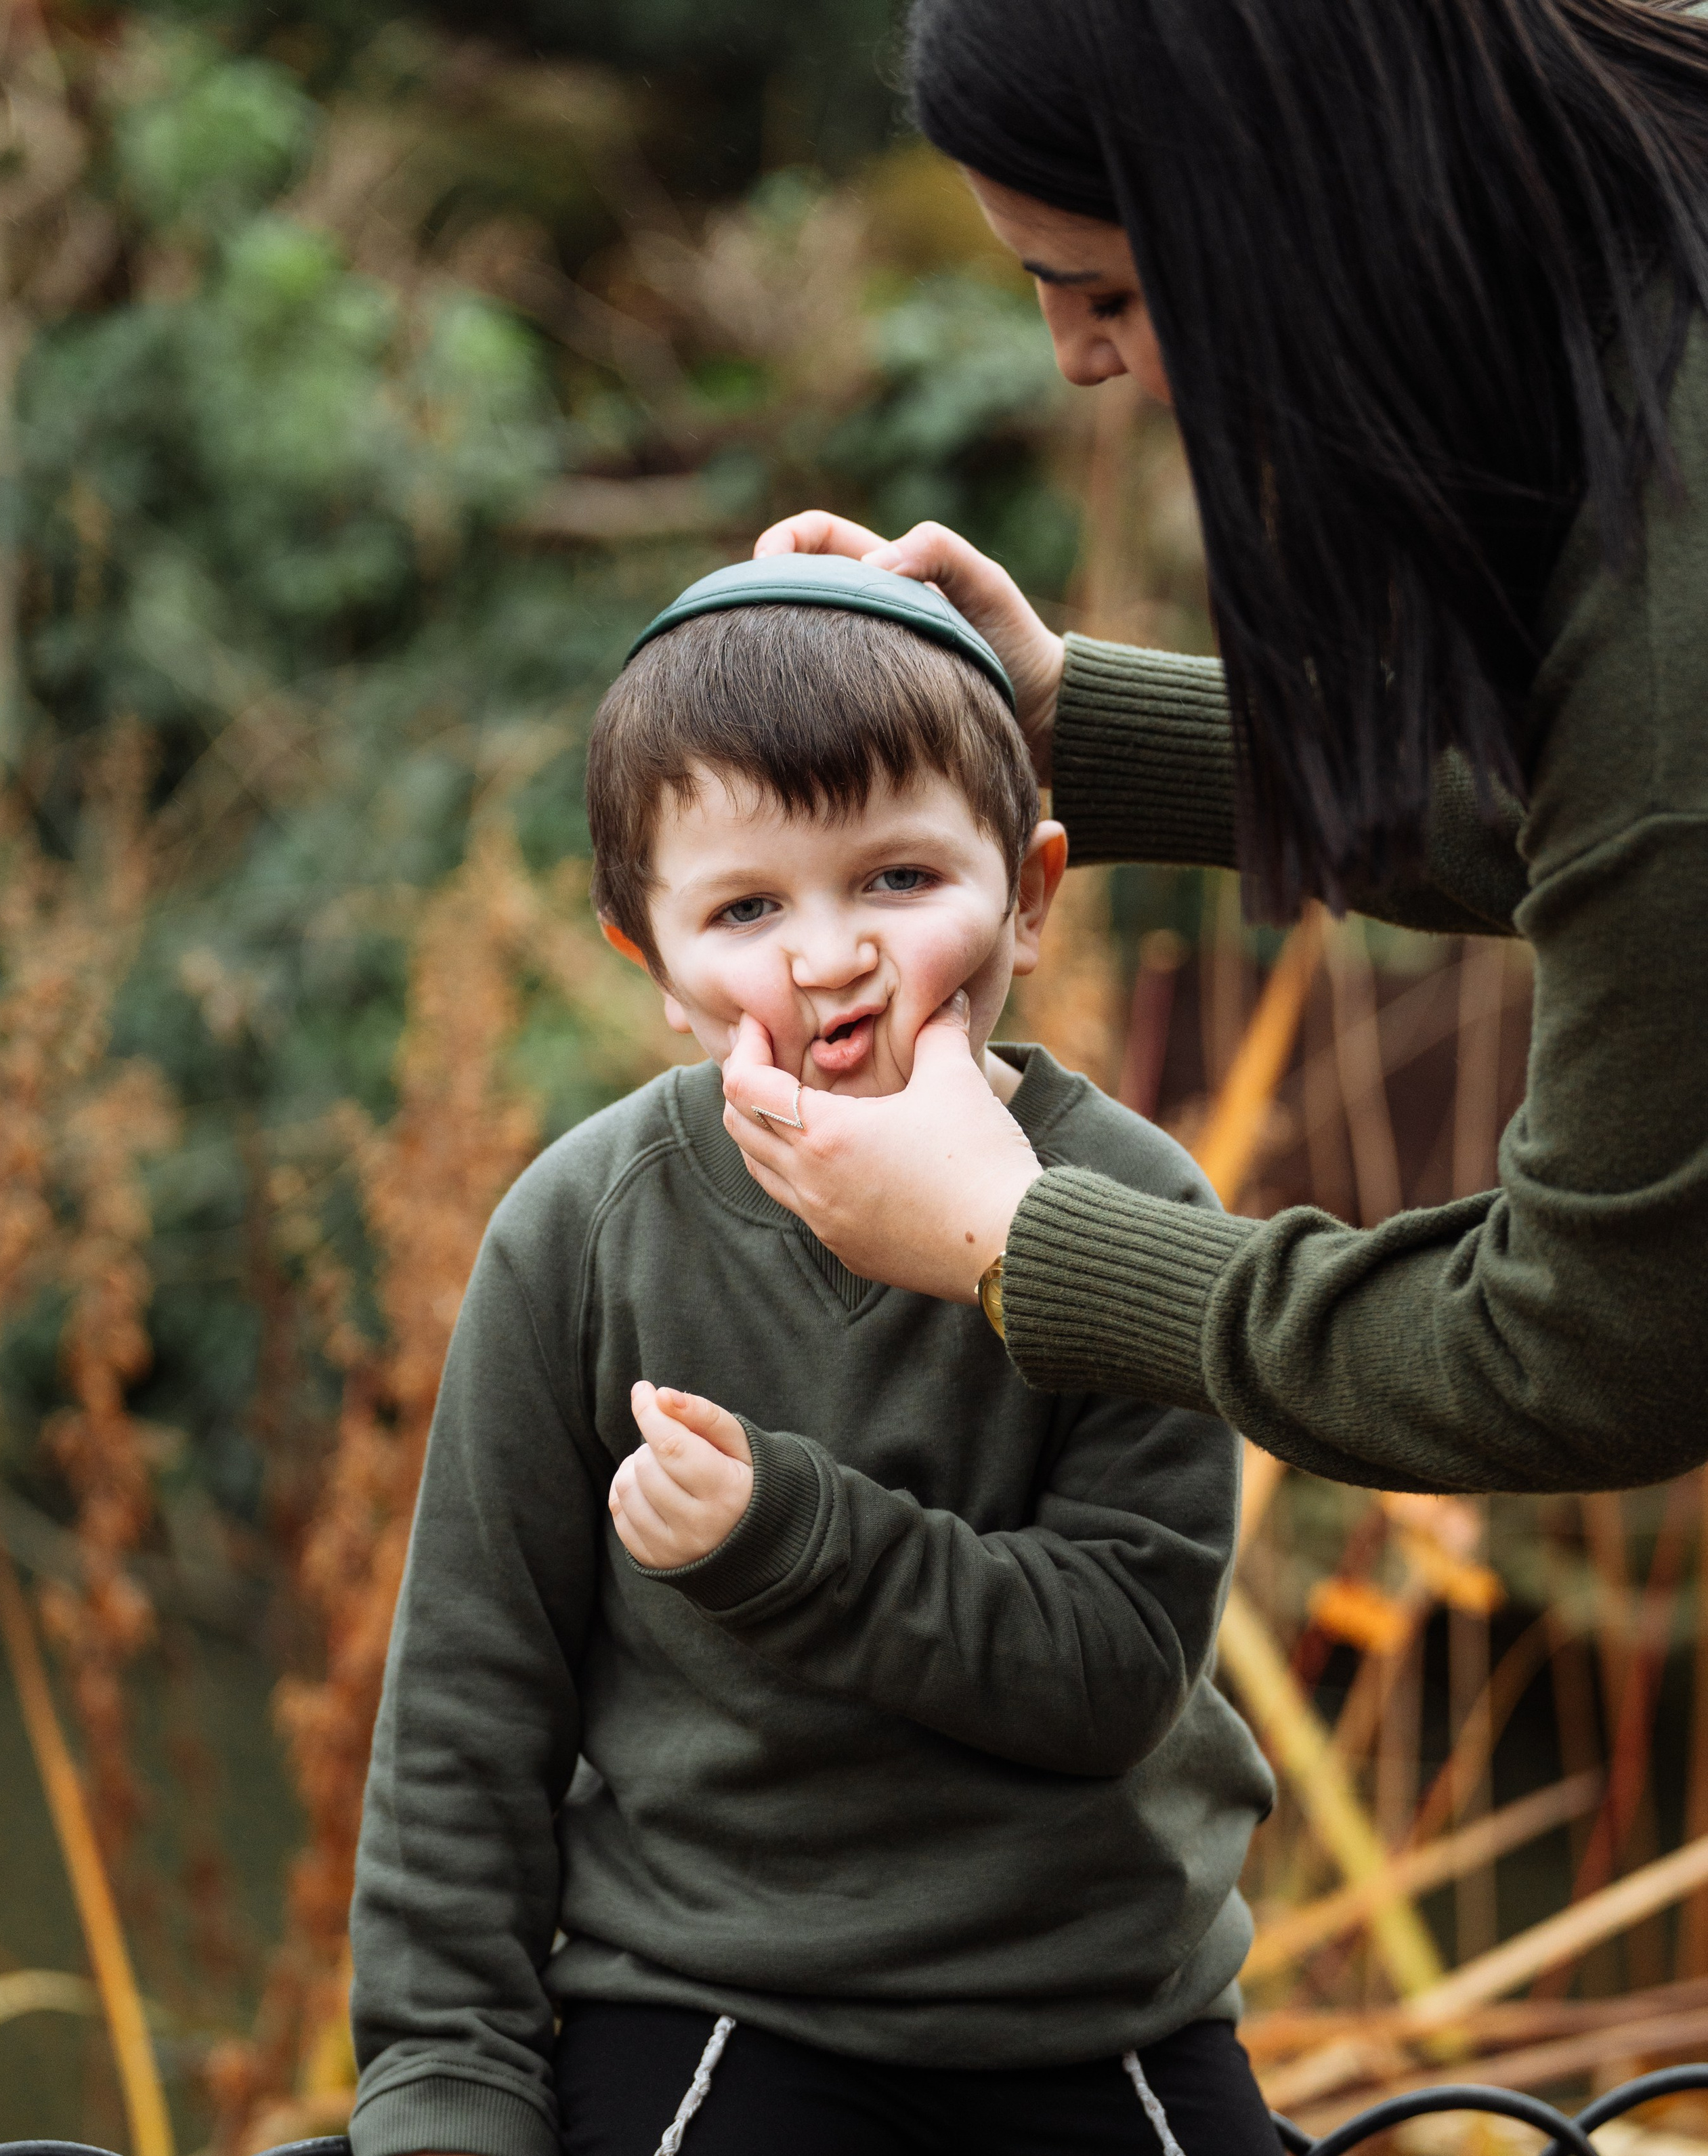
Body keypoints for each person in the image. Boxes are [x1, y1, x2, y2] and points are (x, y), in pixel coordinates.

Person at [347, 558, 1373, 2156]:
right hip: (717, 1969)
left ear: (1032, 889)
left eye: (898, 878)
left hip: (1087, 1974)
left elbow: (1110, 1665)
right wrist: (445, 2043)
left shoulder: (1129, 1216)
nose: (826, 956)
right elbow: (475, 1666)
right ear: (651, 954)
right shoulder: (584, 1229)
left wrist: (785, 1542)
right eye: (744, 909)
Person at [723, 0, 1708, 1501]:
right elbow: (1598, 812)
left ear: (1306, 194)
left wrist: (1016, 1235)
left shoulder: (1664, 620)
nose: (1076, 360)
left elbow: (1578, 1357)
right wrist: (1062, 715)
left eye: (1110, 293)